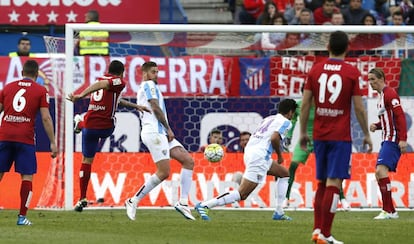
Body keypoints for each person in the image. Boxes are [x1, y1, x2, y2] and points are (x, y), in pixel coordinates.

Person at [300, 31, 373, 244]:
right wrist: (367, 134)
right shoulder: (351, 72)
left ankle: (317, 230)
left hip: (320, 134)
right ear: (347, 48)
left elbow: (305, 104)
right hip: (340, 136)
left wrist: (303, 131)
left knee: (322, 183)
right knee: (334, 182)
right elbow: (359, 108)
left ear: (328, 46)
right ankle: (326, 233)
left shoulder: (315, 70)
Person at [194, 99, 298, 221]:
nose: (293, 115)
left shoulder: (268, 119)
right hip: (259, 157)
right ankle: (205, 205)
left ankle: (279, 211)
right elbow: (275, 138)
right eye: (293, 113)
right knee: (242, 194)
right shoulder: (286, 122)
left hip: (251, 152)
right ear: (290, 112)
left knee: (284, 173)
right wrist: (280, 155)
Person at [67, 60, 150, 211]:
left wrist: (136, 106)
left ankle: (81, 198)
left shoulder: (101, 79)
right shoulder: (118, 81)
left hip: (89, 126)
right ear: (122, 72)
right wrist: (81, 95)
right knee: (111, 122)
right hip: (105, 127)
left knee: (86, 161)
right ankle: (79, 122)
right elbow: (103, 86)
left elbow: (116, 100)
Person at [125, 61, 196, 221]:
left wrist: (165, 130)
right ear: (145, 73)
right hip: (154, 131)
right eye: (153, 72)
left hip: (160, 132)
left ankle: (183, 202)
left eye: (157, 72)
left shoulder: (151, 86)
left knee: (188, 161)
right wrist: (168, 128)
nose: (156, 75)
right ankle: (133, 200)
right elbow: (155, 107)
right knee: (164, 172)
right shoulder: (148, 84)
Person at [0, 60, 58, 225]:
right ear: (36, 74)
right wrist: (52, 142)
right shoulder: (40, 90)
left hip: (4, 135)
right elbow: (46, 118)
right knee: (27, 177)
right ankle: (22, 217)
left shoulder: (8, 87)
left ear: (22, 72)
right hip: (25, 138)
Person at [284, 87, 350, 211]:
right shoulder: (298, 105)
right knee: (293, 165)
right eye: (305, 95)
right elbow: (292, 121)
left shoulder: (323, 106)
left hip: (322, 139)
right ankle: (285, 198)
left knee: (331, 170)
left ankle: (342, 199)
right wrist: (288, 136)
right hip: (305, 140)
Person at [368, 68, 407, 220]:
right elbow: (388, 119)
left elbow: (400, 116)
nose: (371, 83)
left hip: (393, 139)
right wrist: (377, 126)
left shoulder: (390, 93)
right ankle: (390, 210)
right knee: (379, 174)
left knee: (380, 172)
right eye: (369, 80)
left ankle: (389, 210)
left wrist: (403, 138)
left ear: (381, 78)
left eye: (373, 79)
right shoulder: (381, 97)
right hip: (386, 138)